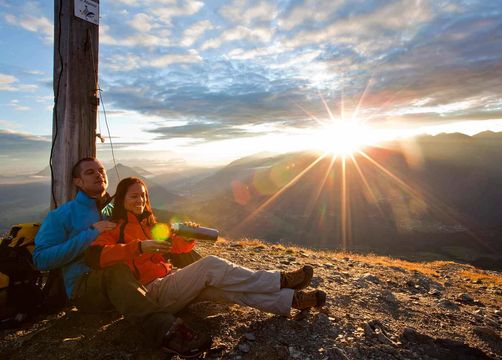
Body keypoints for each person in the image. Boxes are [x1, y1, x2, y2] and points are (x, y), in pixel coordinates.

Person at [33, 158, 212, 359]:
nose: (99, 174)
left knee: (166, 242)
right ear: (78, 182)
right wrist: (90, 233)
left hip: (130, 283)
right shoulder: (62, 215)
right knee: (115, 270)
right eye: (90, 172)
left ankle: (209, 280)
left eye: (101, 170)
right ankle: (169, 333)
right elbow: (41, 259)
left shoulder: (113, 206)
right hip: (87, 288)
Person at [85, 176, 327, 323]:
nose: (139, 201)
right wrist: (137, 247)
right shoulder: (113, 229)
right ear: (122, 200)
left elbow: (178, 248)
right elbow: (96, 258)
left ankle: (292, 301)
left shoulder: (152, 225)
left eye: (143, 196)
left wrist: (188, 236)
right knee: (211, 264)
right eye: (133, 196)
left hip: (170, 285)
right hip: (149, 294)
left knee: (226, 290)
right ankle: (280, 280)